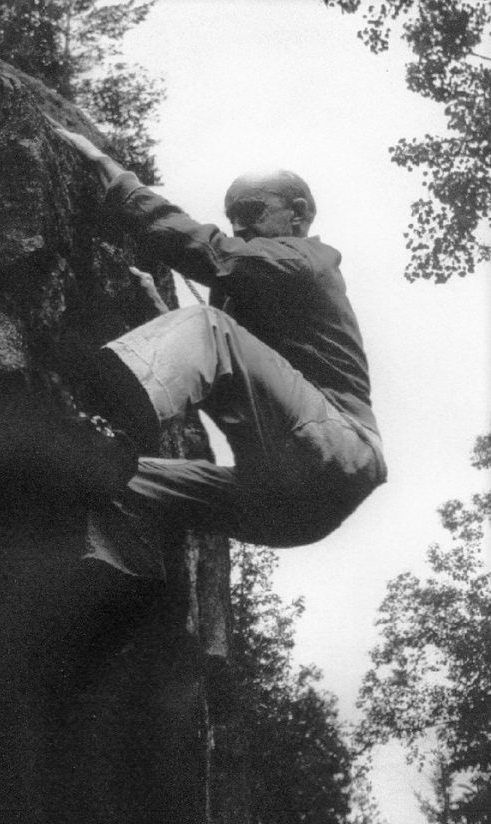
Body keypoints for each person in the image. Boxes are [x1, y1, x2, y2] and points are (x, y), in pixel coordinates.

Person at [50, 119, 387, 551]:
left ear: (298, 213)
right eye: (232, 218)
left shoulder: (308, 261)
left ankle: (97, 416)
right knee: (112, 473)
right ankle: (107, 550)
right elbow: (245, 374)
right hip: (293, 513)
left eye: (252, 212)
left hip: (339, 450)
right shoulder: (260, 289)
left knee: (207, 326)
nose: (239, 227)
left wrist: (116, 178)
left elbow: (213, 256)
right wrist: (162, 313)